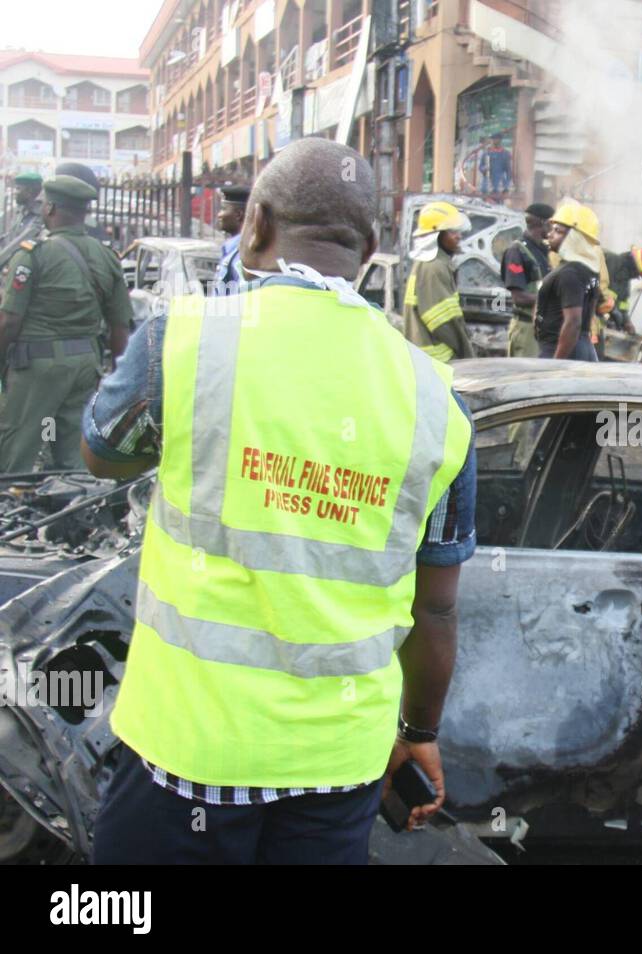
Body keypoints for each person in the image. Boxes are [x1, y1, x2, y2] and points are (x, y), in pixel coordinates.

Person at [82, 137, 478, 865]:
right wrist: (418, 730)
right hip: (338, 768)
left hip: (188, 751)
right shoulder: (435, 398)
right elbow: (437, 608)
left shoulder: (187, 337)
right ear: (369, 249)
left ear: (254, 225)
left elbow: (100, 454)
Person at [0, 175, 131, 472]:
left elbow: (9, 321)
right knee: (67, 445)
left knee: (17, 450)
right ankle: (69, 505)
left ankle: (13, 507)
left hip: (38, 371)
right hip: (84, 367)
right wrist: (115, 377)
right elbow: (120, 325)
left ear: (50, 208)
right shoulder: (107, 256)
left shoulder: (33, 255)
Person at [403, 200, 475, 362]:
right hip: (438, 361)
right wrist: (467, 354)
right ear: (437, 235)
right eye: (452, 231)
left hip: (429, 359)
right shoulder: (433, 267)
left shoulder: (430, 263)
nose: (458, 236)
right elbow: (443, 321)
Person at [535, 202, 603, 361]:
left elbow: (573, 322)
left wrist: (556, 365)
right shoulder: (587, 269)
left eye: (558, 231)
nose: (550, 234)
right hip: (578, 349)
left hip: (563, 351)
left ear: (574, 238)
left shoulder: (570, 273)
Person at [500, 201, 553, 357]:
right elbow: (519, 297)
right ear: (544, 223)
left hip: (543, 328)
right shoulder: (517, 252)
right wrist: (552, 300)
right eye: (553, 224)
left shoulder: (545, 251)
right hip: (527, 328)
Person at [0, 172, 44, 270]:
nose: (15, 192)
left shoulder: (42, 216)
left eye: (18, 188)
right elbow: (11, 238)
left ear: (29, 191)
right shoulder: (21, 211)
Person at [214, 184, 249, 287]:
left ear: (238, 214)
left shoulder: (244, 254)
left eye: (224, 209)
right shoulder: (232, 249)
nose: (219, 215)